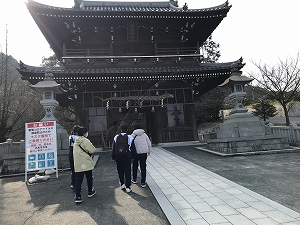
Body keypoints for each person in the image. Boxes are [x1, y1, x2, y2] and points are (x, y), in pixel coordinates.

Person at [73, 127, 96, 203]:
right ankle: (90, 191)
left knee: (78, 180)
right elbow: (92, 150)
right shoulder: (86, 141)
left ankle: (78, 196)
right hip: (86, 162)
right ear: (84, 133)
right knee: (89, 177)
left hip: (78, 163)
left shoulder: (76, 141)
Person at [111, 124, 137, 193]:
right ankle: (128, 186)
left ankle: (122, 184)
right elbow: (133, 148)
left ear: (120, 129)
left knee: (120, 170)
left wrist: (113, 157)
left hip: (118, 156)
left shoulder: (116, 137)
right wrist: (134, 156)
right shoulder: (130, 137)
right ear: (127, 129)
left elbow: (114, 148)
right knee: (127, 171)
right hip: (127, 155)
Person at [131, 123, 151, 188]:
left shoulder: (133, 135)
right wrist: (148, 151)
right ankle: (143, 182)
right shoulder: (144, 135)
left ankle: (134, 179)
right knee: (143, 167)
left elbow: (130, 144)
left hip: (136, 153)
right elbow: (149, 143)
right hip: (144, 152)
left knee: (135, 166)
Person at [69, 125, 80, 191]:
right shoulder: (77, 138)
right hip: (76, 153)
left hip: (70, 153)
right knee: (77, 170)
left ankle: (73, 184)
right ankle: (76, 185)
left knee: (73, 171)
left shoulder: (70, 136)